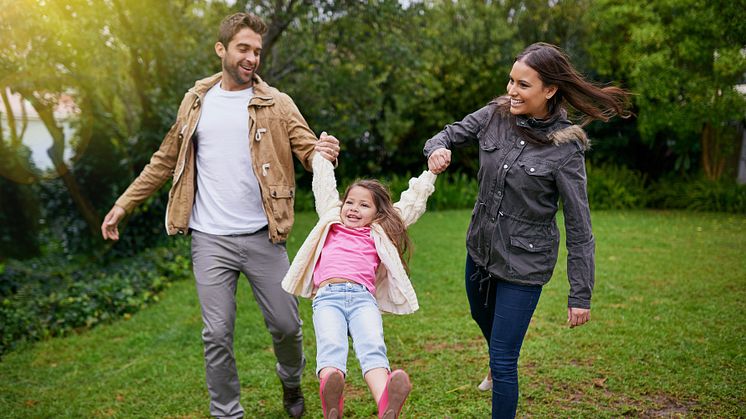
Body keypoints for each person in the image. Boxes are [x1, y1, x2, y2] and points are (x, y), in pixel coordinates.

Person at [100, 12, 340, 419]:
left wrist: (323, 151)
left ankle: (290, 380)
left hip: (264, 236)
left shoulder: (277, 104)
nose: (251, 58)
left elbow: (306, 148)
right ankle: (227, 412)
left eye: (257, 51)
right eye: (243, 49)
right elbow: (164, 159)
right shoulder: (196, 102)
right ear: (222, 50)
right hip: (209, 238)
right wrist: (124, 203)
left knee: (286, 326)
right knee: (216, 333)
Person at [423, 42, 631, 418]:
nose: (511, 91)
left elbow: (579, 225)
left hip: (525, 264)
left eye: (522, 85)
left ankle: (498, 371)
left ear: (549, 90)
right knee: (480, 318)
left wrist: (580, 293)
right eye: (510, 81)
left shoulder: (567, 148)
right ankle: (495, 357)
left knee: (504, 360)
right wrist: (437, 149)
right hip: (480, 250)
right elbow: (447, 134)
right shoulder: (495, 115)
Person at [282, 152, 436, 418]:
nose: (353, 208)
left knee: (373, 346)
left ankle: (385, 402)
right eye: (350, 202)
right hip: (327, 298)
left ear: (378, 213)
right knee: (331, 345)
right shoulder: (331, 220)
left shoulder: (381, 229)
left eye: (364, 205)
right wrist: (321, 157)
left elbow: (412, 203)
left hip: (363, 300)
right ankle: (332, 397)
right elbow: (323, 186)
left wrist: (431, 173)